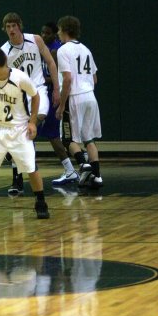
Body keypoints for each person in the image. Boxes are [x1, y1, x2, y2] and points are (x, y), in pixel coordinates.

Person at [0, 47, 50, 220]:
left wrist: (32, 122)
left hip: (19, 129)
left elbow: (35, 97)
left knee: (31, 168)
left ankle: (41, 203)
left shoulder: (20, 78)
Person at [0, 12, 60, 196]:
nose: (11, 29)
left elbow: (50, 62)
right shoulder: (3, 52)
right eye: (8, 27)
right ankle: (17, 178)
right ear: (5, 29)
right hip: (18, 95)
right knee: (22, 134)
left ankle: (14, 158)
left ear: (20, 26)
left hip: (38, 89)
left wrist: (57, 88)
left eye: (14, 26)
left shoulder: (35, 40)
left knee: (35, 121)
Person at [55, 16, 103, 189]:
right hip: (90, 96)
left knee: (68, 139)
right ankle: (97, 177)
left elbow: (67, 79)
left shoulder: (63, 50)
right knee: (88, 139)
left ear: (65, 30)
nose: (58, 33)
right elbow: (95, 78)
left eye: (59, 30)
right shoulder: (86, 49)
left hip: (74, 97)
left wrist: (61, 105)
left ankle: (84, 165)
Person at [39, 21, 82, 185]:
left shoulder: (57, 50)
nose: (44, 35)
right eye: (42, 32)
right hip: (46, 95)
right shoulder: (42, 47)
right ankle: (80, 166)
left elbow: (57, 77)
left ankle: (73, 169)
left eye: (47, 33)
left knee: (54, 135)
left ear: (55, 33)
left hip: (54, 95)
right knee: (56, 135)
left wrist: (40, 79)